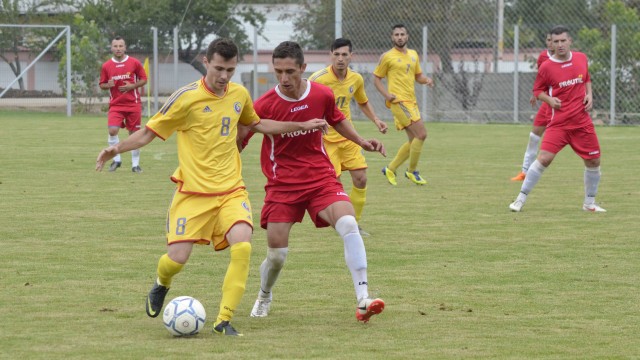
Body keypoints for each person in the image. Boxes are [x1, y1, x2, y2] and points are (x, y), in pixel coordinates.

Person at [95, 38, 328, 336]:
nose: (224, 76)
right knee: (176, 259)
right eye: (219, 68)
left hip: (231, 190)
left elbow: (258, 124)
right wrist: (116, 150)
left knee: (243, 244)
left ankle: (224, 320)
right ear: (206, 63)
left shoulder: (239, 94)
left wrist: (302, 124)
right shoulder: (185, 98)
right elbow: (147, 133)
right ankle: (161, 283)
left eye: (230, 70)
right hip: (192, 194)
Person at [243, 41, 386, 323]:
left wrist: (361, 141)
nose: (284, 79)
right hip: (282, 184)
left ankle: (362, 299)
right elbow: (246, 131)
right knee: (277, 256)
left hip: (320, 177)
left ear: (303, 68)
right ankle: (264, 295)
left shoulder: (321, 94)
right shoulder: (264, 104)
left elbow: (337, 119)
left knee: (348, 223)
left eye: (290, 72)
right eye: (278, 71)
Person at [509, 25, 606, 213]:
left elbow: (586, 78)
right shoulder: (546, 66)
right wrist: (549, 100)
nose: (560, 44)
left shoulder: (581, 58)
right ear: (551, 44)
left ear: (570, 41)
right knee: (544, 159)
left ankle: (589, 203)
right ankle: (520, 199)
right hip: (559, 124)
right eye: (556, 41)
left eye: (563, 40)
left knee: (594, 162)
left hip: (582, 123)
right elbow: (537, 90)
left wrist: (590, 95)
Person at [309, 38, 388, 236]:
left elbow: (362, 102)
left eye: (344, 55)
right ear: (330, 55)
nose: (340, 59)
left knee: (361, 179)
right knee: (333, 185)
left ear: (351, 56)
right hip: (326, 139)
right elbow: (304, 103)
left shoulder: (356, 79)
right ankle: (339, 222)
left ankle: (354, 225)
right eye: (336, 54)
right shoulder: (317, 79)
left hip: (348, 137)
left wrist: (376, 120)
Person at [373, 24, 434, 186]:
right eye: (396, 35)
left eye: (402, 34)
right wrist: (387, 95)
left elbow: (418, 76)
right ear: (392, 38)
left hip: (411, 102)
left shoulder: (413, 54)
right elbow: (376, 78)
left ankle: (390, 169)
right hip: (398, 102)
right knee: (422, 134)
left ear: (407, 36)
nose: (399, 37)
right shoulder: (387, 56)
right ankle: (412, 171)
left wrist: (426, 80)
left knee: (414, 139)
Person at [99, 36, 148, 173]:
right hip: (116, 105)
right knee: (112, 130)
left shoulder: (134, 63)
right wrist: (106, 85)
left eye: (121, 46)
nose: (118, 48)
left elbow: (144, 79)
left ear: (125, 48)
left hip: (133, 104)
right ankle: (116, 160)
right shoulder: (106, 66)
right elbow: (102, 84)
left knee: (134, 135)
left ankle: (135, 165)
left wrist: (132, 86)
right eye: (115, 46)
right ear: (111, 48)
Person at [511, 31, 555, 181]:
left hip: (562, 105)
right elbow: (540, 78)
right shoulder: (544, 57)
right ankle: (524, 172)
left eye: (553, 40)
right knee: (534, 136)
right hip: (547, 103)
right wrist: (535, 94)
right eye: (548, 40)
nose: (550, 43)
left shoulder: (568, 59)